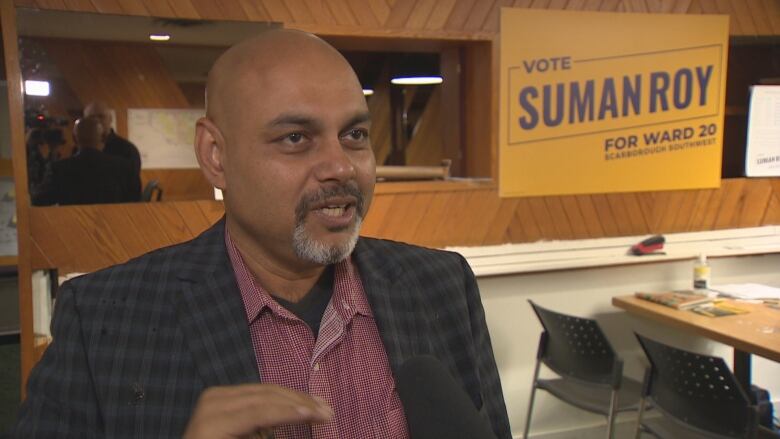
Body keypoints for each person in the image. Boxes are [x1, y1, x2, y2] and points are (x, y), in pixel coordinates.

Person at [12, 30, 511, 438]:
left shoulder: (443, 285)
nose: (340, 165)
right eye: (296, 138)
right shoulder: (103, 320)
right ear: (215, 156)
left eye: (355, 135)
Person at [31, 116, 141, 206]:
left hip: (73, 229)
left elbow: (38, 200)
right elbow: (136, 203)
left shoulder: (59, 169)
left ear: (74, 139)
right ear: (104, 137)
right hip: (115, 229)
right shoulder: (124, 168)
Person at [84, 101, 142, 174]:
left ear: (110, 119)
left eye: (101, 116)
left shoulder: (127, 149)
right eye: (91, 117)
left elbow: (133, 182)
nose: (96, 120)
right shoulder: (79, 150)